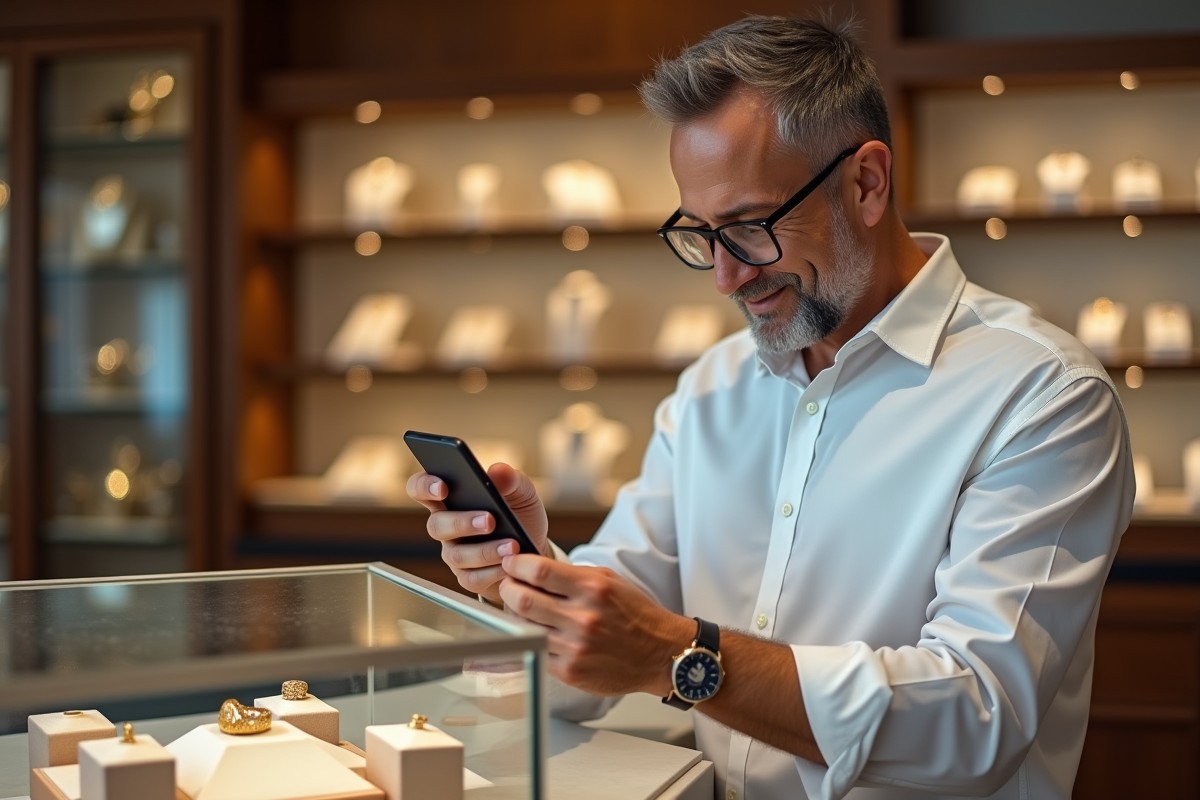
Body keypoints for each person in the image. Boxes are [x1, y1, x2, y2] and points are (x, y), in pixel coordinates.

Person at [409, 15, 1132, 800]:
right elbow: (597, 661)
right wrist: (526, 578)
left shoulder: (1043, 397)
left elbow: (975, 718)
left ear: (867, 182)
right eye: (702, 233)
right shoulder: (712, 390)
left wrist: (677, 658)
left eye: (750, 227)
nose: (725, 276)